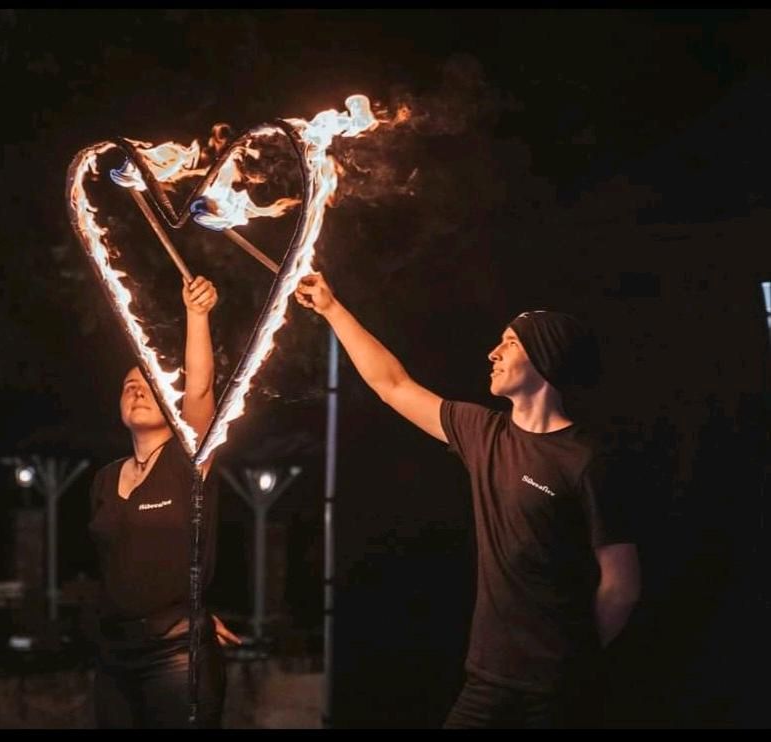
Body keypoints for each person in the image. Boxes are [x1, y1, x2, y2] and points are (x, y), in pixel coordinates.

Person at [295, 272, 641, 728]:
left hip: (558, 691)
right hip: (487, 678)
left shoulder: (587, 460)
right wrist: (331, 309)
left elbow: (621, 584)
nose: (493, 353)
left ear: (544, 358)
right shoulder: (483, 433)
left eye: (510, 342)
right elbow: (392, 385)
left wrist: (571, 660)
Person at [88, 275, 241, 729]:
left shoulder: (188, 460)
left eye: (149, 385)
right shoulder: (104, 478)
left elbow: (198, 389)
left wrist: (197, 315)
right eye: (128, 385)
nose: (136, 390)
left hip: (176, 656)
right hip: (114, 658)